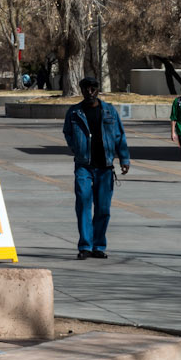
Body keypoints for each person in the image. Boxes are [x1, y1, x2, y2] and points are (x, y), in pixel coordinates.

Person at [62, 76, 130, 258]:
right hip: (84, 166)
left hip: (105, 166)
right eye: (86, 89)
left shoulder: (109, 111)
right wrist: (76, 148)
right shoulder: (75, 112)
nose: (90, 92)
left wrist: (124, 158)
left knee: (103, 208)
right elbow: (67, 132)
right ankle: (85, 246)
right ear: (82, 90)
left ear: (98, 90)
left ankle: (98, 246)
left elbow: (119, 135)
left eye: (93, 89)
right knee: (83, 204)